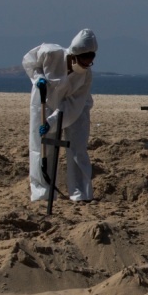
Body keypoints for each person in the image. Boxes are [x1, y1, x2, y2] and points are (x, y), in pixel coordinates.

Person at [22, 29, 97, 202]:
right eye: (83, 61)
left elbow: (72, 105)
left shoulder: (85, 76)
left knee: (78, 148)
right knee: (40, 146)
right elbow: (30, 63)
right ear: (74, 55)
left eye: (89, 63)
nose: (85, 66)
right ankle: (43, 192)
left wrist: (53, 121)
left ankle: (81, 193)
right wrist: (38, 77)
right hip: (44, 100)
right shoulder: (50, 53)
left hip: (76, 108)